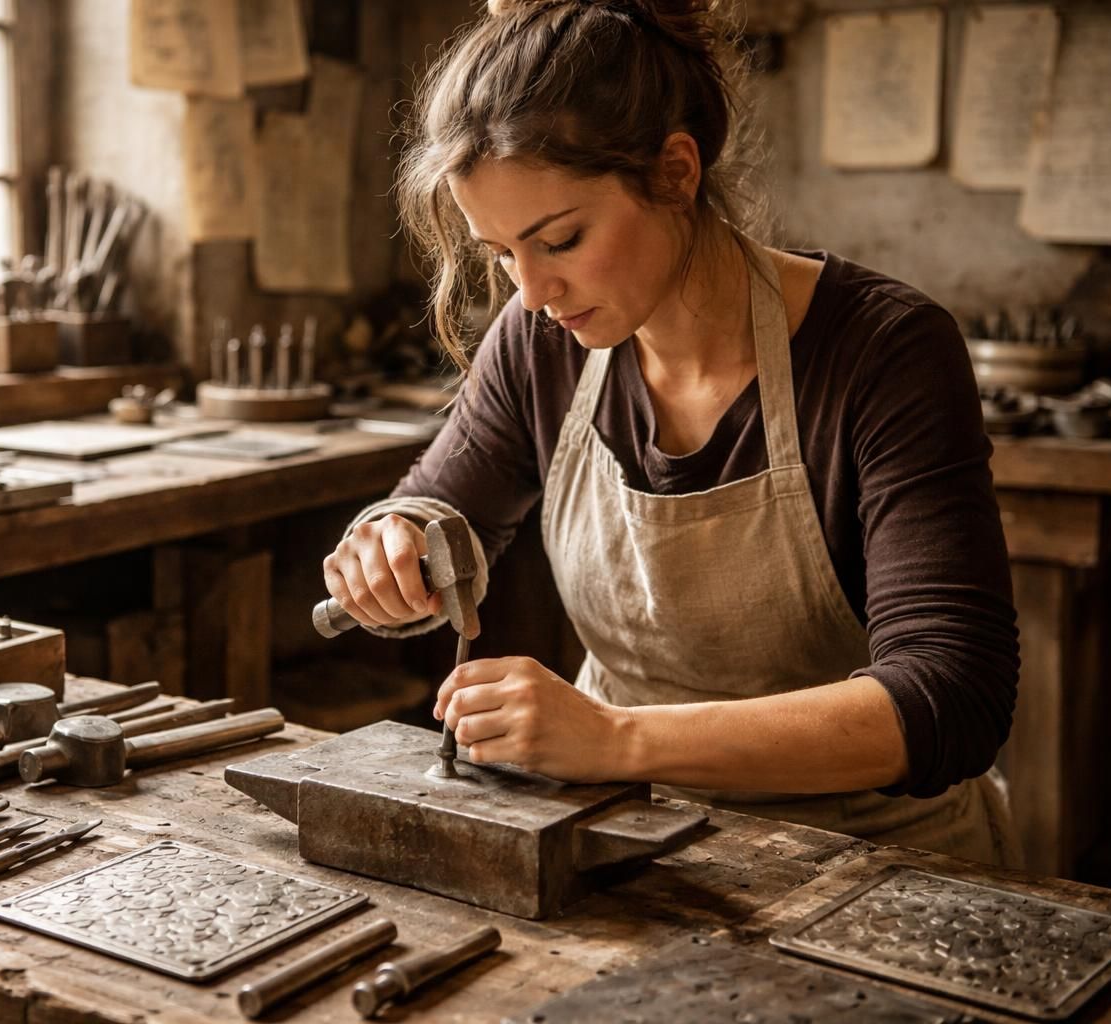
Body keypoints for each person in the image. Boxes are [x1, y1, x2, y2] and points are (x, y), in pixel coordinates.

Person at [319, 0, 1021, 866]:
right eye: (501, 252)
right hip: (635, 842)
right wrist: (392, 541)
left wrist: (617, 739)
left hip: (879, 861)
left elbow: (954, 697)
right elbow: (442, 503)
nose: (532, 292)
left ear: (677, 172)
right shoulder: (542, 340)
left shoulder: (884, 351)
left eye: (561, 240)